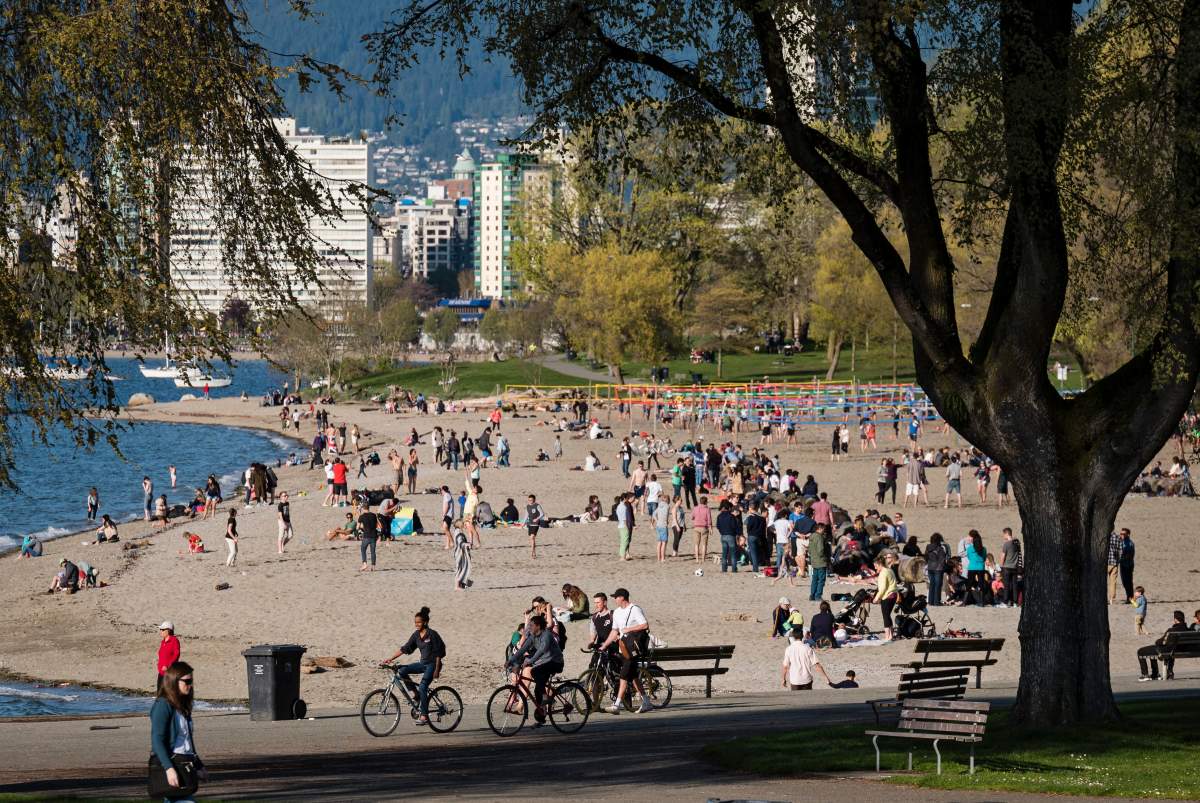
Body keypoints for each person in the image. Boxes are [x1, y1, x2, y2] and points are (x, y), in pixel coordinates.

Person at [150, 661, 206, 801]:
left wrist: (198, 764)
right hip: (173, 764)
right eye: (187, 681)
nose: (190, 685)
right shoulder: (163, 705)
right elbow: (157, 739)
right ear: (174, 681)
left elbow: (186, 741)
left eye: (191, 681)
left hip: (185, 765)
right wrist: (169, 769)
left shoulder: (182, 706)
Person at [383, 606, 446, 725]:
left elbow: (440, 652)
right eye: (415, 622)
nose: (416, 624)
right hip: (422, 664)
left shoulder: (432, 634)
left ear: (425, 622)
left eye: (419, 622)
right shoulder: (416, 635)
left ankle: (424, 716)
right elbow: (406, 648)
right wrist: (390, 659)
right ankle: (416, 695)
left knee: (422, 687)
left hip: (433, 665)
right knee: (402, 671)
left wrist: (437, 670)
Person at [599, 588, 653, 714]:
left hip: (634, 648)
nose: (614, 599)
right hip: (623, 648)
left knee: (623, 675)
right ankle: (646, 702)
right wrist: (605, 645)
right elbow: (614, 631)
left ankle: (616, 705)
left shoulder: (635, 609)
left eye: (616, 597)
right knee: (633, 676)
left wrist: (629, 629)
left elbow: (645, 625)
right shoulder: (617, 612)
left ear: (622, 597)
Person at [506, 612, 564, 726]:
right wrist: (511, 660)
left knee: (535, 671)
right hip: (544, 662)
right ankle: (542, 714)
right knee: (538, 689)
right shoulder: (533, 636)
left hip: (555, 662)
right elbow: (523, 649)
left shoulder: (546, 635)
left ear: (538, 626)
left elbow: (541, 650)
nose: (529, 628)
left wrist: (530, 661)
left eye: (531, 625)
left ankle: (546, 697)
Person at [1138, 610, 1190, 681]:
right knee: (1153, 649)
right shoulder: (1188, 630)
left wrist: (1157, 642)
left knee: (1141, 651)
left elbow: (1161, 641)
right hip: (1180, 649)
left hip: (1167, 651)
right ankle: (1158, 674)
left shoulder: (1172, 630)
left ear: (1175, 619)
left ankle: (1146, 674)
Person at [873, 553, 899, 641]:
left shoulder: (883, 573)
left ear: (879, 564)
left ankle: (888, 636)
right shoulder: (889, 570)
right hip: (893, 595)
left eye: (876, 566)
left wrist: (877, 598)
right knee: (888, 615)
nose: (875, 568)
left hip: (888, 596)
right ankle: (891, 635)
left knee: (885, 616)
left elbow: (883, 588)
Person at [716, 500, 742, 573]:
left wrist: (722, 532)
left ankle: (724, 569)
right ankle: (734, 569)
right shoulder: (731, 516)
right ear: (728, 507)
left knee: (724, 553)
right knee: (733, 554)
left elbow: (718, 526)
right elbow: (735, 527)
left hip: (723, 536)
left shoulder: (719, 516)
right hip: (731, 536)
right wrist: (738, 534)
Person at [807, 523, 831, 601]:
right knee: (821, 580)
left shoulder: (812, 536)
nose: (824, 531)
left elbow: (809, 549)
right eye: (823, 529)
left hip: (814, 560)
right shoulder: (819, 537)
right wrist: (825, 557)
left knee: (814, 579)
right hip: (821, 561)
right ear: (820, 529)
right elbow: (820, 550)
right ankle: (818, 595)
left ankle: (812, 595)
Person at [925, 532, 949, 606]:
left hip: (930, 567)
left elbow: (926, 557)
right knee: (938, 585)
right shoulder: (940, 548)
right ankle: (936, 601)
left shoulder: (928, 547)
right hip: (938, 568)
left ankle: (931, 601)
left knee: (932, 584)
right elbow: (942, 559)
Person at [965, 530, 988, 605]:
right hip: (981, 567)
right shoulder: (983, 548)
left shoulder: (969, 548)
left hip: (972, 567)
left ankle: (965, 601)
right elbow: (984, 558)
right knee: (981, 584)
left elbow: (968, 557)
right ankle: (982, 602)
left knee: (969, 585)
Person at [999, 528, 1021, 606]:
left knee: (1007, 585)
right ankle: (1015, 602)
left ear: (1006, 534)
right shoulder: (1017, 543)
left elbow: (1003, 557)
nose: (1003, 536)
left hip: (1007, 567)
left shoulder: (1006, 544)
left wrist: (1001, 566)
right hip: (1014, 568)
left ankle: (1006, 602)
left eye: (1003, 534)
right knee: (1014, 586)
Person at [157, 622, 181, 691]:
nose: (161, 631)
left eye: (163, 629)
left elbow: (176, 654)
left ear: (168, 630)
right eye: (160, 629)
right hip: (161, 672)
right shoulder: (163, 642)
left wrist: (168, 666)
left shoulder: (174, 640)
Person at [523, 494, 546, 558]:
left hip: (536, 524)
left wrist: (537, 519)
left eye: (531, 500)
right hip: (530, 524)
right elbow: (526, 515)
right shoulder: (527, 506)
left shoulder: (537, 505)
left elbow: (542, 514)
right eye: (529, 500)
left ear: (534, 500)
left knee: (532, 537)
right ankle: (534, 552)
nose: (530, 501)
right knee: (532, 539)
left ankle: (532, 553)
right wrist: (523, 523)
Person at [359, 503, 380, 572]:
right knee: (373, 552)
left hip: (367, 535)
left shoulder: (362, 516)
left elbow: (358, 527)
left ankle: (364, 563)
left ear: (363, 508)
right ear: (368, 508)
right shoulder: (374, 515)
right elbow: (377, 525)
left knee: (363, 549)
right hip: (374, 535)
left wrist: (363, 528)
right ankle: (373, 566)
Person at [691, 495, 712, 561]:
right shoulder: (707, 509)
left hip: (696, 527)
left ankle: (697, 559)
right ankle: (703, 559)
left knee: (696, 544)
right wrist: (710, 528)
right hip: (704, 528)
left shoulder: (695, 508)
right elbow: (709, 520)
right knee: (704, 544)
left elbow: (692, 517)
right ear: (706, 502)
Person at [452, 525, 472, 590]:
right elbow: (460, 542)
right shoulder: (458, 532)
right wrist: (466, 544)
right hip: (459, 553)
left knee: (461, 568)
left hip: (459, 553)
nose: (465, 526)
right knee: (459, 569)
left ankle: (461, 584)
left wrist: (467, 543)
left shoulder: (457, 531)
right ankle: (457, 586)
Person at [1119, 528, 1136, 601]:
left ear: (1128, 534)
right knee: (1124, 582)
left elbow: (1129, 555)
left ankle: (1130, 597)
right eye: (1121, 533)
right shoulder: (1122, 542)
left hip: (1128, 565)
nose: (1121, 535)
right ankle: (1129, 597)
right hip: (1123, 564)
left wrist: (1120, 559)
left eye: (1123, 534)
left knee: (1128, 582)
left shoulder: (1129, 543)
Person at [1106, 529, 1122, 603]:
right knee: (1113, 582)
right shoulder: (1118, 538)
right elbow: (1121, 551)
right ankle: (1112, 599)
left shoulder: (1105, 536)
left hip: (1105, 563)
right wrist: (1118, 560)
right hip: (1114, 563)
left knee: (1102, 581)